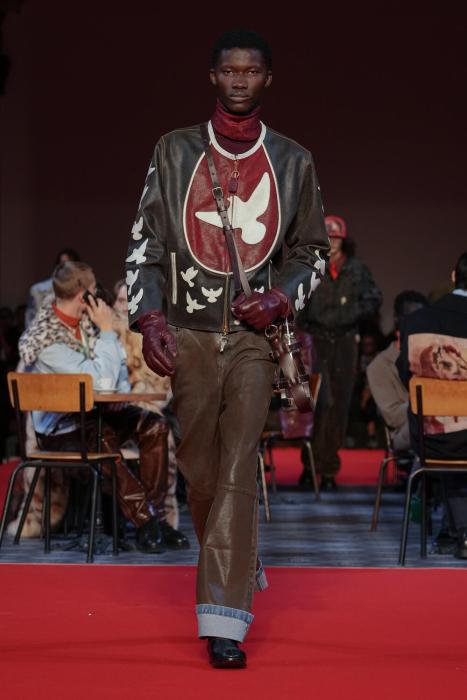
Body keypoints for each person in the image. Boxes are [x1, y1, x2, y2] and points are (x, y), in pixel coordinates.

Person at [125, 28, 329, 668]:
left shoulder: (293, 160)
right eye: (230, 70)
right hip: (186, 333)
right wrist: (149, 318)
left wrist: (282, 297)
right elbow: (146, 243)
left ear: (268, 78)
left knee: (239, 464)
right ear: (213, 77)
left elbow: (313, 251)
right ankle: (239, 559)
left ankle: (224, 622)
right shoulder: (174, 150)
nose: (240, 80)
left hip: (252, 339)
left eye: (252, 70)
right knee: (199, 468)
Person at [17, 261, 189, 552]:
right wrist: (108, 332)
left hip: (97, 416)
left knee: (155, 425)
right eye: (95, 289)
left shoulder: (88, 324)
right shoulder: (46, 339)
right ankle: (147, 522)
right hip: (61, 429)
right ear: (83, 295)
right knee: (102, 437)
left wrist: (114, 386)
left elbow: (116, 379)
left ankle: (156, 519)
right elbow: (102, 384)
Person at [297, 214, 382, 489]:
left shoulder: (356, 269)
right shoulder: (311, 266)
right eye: (328, 237)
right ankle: (309, 465)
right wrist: (305, 327)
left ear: (344, 241)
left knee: (340, 406)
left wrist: (350, 314)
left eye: (336, 238)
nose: (332, 242)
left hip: (344, 342)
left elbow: (374, 298)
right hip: (316, 341)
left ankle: (329, 469)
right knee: (316, 403)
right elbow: (296, 300)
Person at [397, 253, 467, 558]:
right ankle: (459, 532)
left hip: (432, 438)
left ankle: (459, 532)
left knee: (452, 432)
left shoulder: (416, 322)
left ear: (453, 276)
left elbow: (406, 376)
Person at [112, 279, 180, 530]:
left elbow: (166, 387)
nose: (124, 308)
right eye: (120, 301)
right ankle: (145, 517)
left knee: (160, 430)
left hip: (146, 414)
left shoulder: (156, 339)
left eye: (129, 303)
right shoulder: (104, 334)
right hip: (109, 414)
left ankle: (156, 516)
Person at [367, 291, 427, 452]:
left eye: (424, 317)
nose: (420, 323)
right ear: (397, 320)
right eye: (413, 317)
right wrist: (431, 405)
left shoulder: (434, 354)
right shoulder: (380, 365)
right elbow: (393, 417)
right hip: (407, 431)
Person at [25, 248, 81, 327]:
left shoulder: (81, 291)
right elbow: (30, 322)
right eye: (63, 264)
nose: (66, 268)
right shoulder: (38, 290)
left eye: (70, 265)